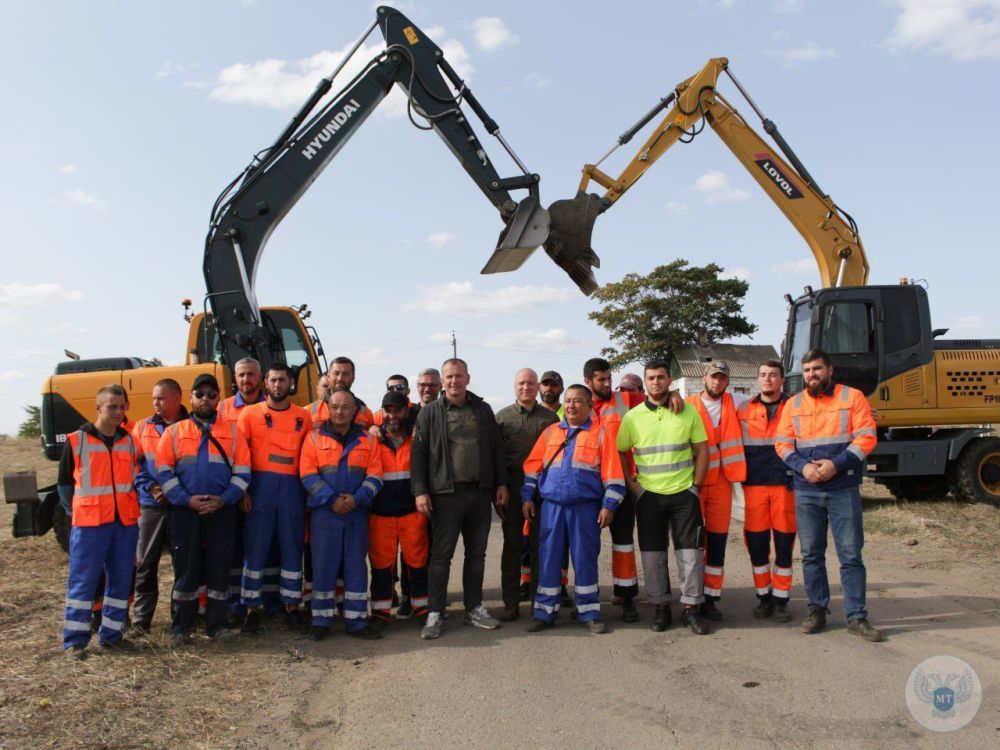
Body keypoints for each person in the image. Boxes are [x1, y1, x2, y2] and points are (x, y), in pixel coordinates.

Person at [776, 349, 881, 642]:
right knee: (811, 555)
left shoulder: (852, 397)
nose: (812, 374)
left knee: (850, 554)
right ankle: (817, 610)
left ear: (830, 370)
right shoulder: (793, 404)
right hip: (807, 489)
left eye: (817, 368)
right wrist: (804, 467)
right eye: (807, 370)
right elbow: (782, 444)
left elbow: (867, 437)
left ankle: (856, 616)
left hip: (842, 487)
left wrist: (836, 464)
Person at [411, 358, 507, 640]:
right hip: (445, 496)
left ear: (468, 378)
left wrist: (501, 483)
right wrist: (420, 491)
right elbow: (418, 454)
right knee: (441, 557)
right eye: (450, 377)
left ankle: (474, 608)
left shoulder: (483, 410)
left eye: (459, 376)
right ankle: (435, 611)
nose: (455, 381)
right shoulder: (430, 412)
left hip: (479, 494)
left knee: (477, 555)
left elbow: (496, 449)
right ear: (443, 381)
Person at [583, 357, 683, 622]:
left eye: (609, 378)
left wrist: (674, 394)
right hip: (589, 489)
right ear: (587, 381)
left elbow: (656, 398)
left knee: (623, 544)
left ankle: (626, 597)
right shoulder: (578, 403)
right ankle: (587, 598)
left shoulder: (626, 400)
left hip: (621, 485)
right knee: (587, 546)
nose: (607, 384)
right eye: (601, 380)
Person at [156, 374, 251, 646]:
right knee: (186, 568)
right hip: (186, 512)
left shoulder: (233, 432)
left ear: (219, 398)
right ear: (190, 398)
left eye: (211, 395)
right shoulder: (174, 432)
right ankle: (181, 626)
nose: (205, 399)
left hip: (221, 511)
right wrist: (186, 500)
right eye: (200, 394)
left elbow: (243, 472)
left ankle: (217, 624)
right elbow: (163, 472)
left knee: (219, 568)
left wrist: (224, 499)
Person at [618, 362, 711, 636]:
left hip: (684, 494)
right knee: (652, 555)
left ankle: (691, 608)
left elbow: (702, 449)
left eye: (661, 377)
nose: (656, 382)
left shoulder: (687, 411)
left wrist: (696, 485)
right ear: (645, 382)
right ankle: (661, 607)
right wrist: (633, 486)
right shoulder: (632, 417)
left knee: (691, 555)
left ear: (670, 379)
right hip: (649, 497)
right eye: (651, 378)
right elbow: (621, 451)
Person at [522, 384, 623, 634]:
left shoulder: (601, 435)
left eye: (577, 401)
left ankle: (589, 613)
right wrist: (527, 497)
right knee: (548, 559)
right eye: (567, 401)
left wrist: (608, 506)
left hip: (585, 509)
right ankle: (544, 613)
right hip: (552, 508)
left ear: (589, 406)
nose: (571, 406)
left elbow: (614, 477)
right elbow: (532, 468)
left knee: (585, 560)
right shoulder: (550, 433)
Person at [59, 384, 142, 659]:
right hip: (89, 525)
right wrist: (76, 513)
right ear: (98, 408)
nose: (118, 412)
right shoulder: (77, 441)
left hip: (124, 524)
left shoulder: (129, 441)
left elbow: (134, 479)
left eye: (122, 407)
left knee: (120, 581)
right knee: (83, 581)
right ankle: (75, 641)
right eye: (112, 407)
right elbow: (64, 486)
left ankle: (112, 636)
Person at [300, 389, 384, 640]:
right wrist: (332, 499)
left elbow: (376, 476)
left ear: (354, 411)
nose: (339, 412)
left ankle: (357, 621)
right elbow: (308, 475)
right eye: (335, 406)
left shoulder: (368, 441)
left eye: (346, 407)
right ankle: (321, 621)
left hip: (357, 513)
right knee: (323, 566)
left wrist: (356, 499)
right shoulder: (313, 438)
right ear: (327, 408)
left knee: (356, 566)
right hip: (325, 514)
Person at [237, 363, 312, 634]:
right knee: (255, 549)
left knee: (292, 548)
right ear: (265, 383)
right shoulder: (249, 414)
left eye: (282, 380)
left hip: (293, 489)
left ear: (290, 383)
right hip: (260, 488)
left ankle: (291, 606)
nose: (278, 385)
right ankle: (251, 608)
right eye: (273, 380)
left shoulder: (304, 416)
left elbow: (310, 455)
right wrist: (243, 491)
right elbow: (240, 455)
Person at [685, 361, 748, 621]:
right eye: (713, 377)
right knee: (693, 544)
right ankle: (693, 597)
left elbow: (771, 400)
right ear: (704, 378)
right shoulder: (686, 405)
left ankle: (711, 598)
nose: (717, 382)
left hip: (722, 483)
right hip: (694, 482)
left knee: (717, 543)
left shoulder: (737, 402)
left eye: (722, 378)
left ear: (727, 381)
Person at [495, 368, 559, 621]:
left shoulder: (550, 419)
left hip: (543, 486)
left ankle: (538, 601)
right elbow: (496, 457)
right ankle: (510, 603)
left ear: (538, 387)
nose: (526, 387)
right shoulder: (502, 418)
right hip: (512, 485)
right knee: (512, 545)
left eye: (531, 383)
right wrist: (500, 486)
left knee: (540, 546)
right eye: (521, 383)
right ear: (514, 386)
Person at [736, 361, 796, 622]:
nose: (767, 379)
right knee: (757, 545)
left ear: (782, 379)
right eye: (762, 375)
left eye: (773, 374)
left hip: (786, 485)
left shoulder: (795, 406)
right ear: (757, 379)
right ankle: (764, 597)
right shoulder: (743, 409)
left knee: (784, 545)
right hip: (755, 485)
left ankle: (781, 600)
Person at [130, 378, 188, 635]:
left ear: (177, 398)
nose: (156, 403)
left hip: (181, 505)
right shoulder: (142, 427)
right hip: (151, 504)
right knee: (145, 563)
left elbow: (197, 466)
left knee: (182, 563)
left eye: (161, 398)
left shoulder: (191, 426)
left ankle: (180, 619)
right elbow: (133, 463)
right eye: (154, 398)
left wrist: (177, 492)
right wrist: (152, 487)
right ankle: (141, 621)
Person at [369, 391, 429, 625]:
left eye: (398, 410)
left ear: (406, 411)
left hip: (412, 514)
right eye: (388, 410)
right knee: (381, 567)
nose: (392, 415)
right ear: (382, 412)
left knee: (418, 563)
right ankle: (380, 614)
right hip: (381, 515)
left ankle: (421, 610)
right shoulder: (372, 439)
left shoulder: (417, 439)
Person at [216, 357, 267, 620]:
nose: (246, 380)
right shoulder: (223, 409)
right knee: (234, 548)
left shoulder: (270, 406)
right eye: (241, 375)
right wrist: (238, 491)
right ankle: (235, 605)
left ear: (260, 378)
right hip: (233, 487)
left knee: (265, 548)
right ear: (235, 378)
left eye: (251, 374)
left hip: (265, 485)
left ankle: (265, 603)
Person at [312, 356, 375, 430]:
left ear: (353, 377)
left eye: (345, 374)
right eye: (336, 373)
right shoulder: (309, 411)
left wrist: (374, 427)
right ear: (328, 376)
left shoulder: (365, 413)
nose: (340, 379)